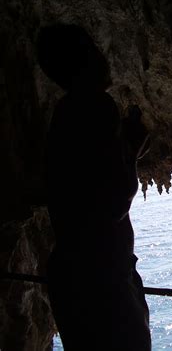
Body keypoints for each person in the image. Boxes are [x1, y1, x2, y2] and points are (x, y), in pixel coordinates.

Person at [37, 24, 151, 350]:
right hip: (102, 282)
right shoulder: (96, 107)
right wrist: (130, 153)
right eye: (95, 50)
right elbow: (112, 200)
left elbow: (84, 188)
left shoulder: (64, 113)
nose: (105, 59)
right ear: (84, 60)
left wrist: (127, 151)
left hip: (75, 277)